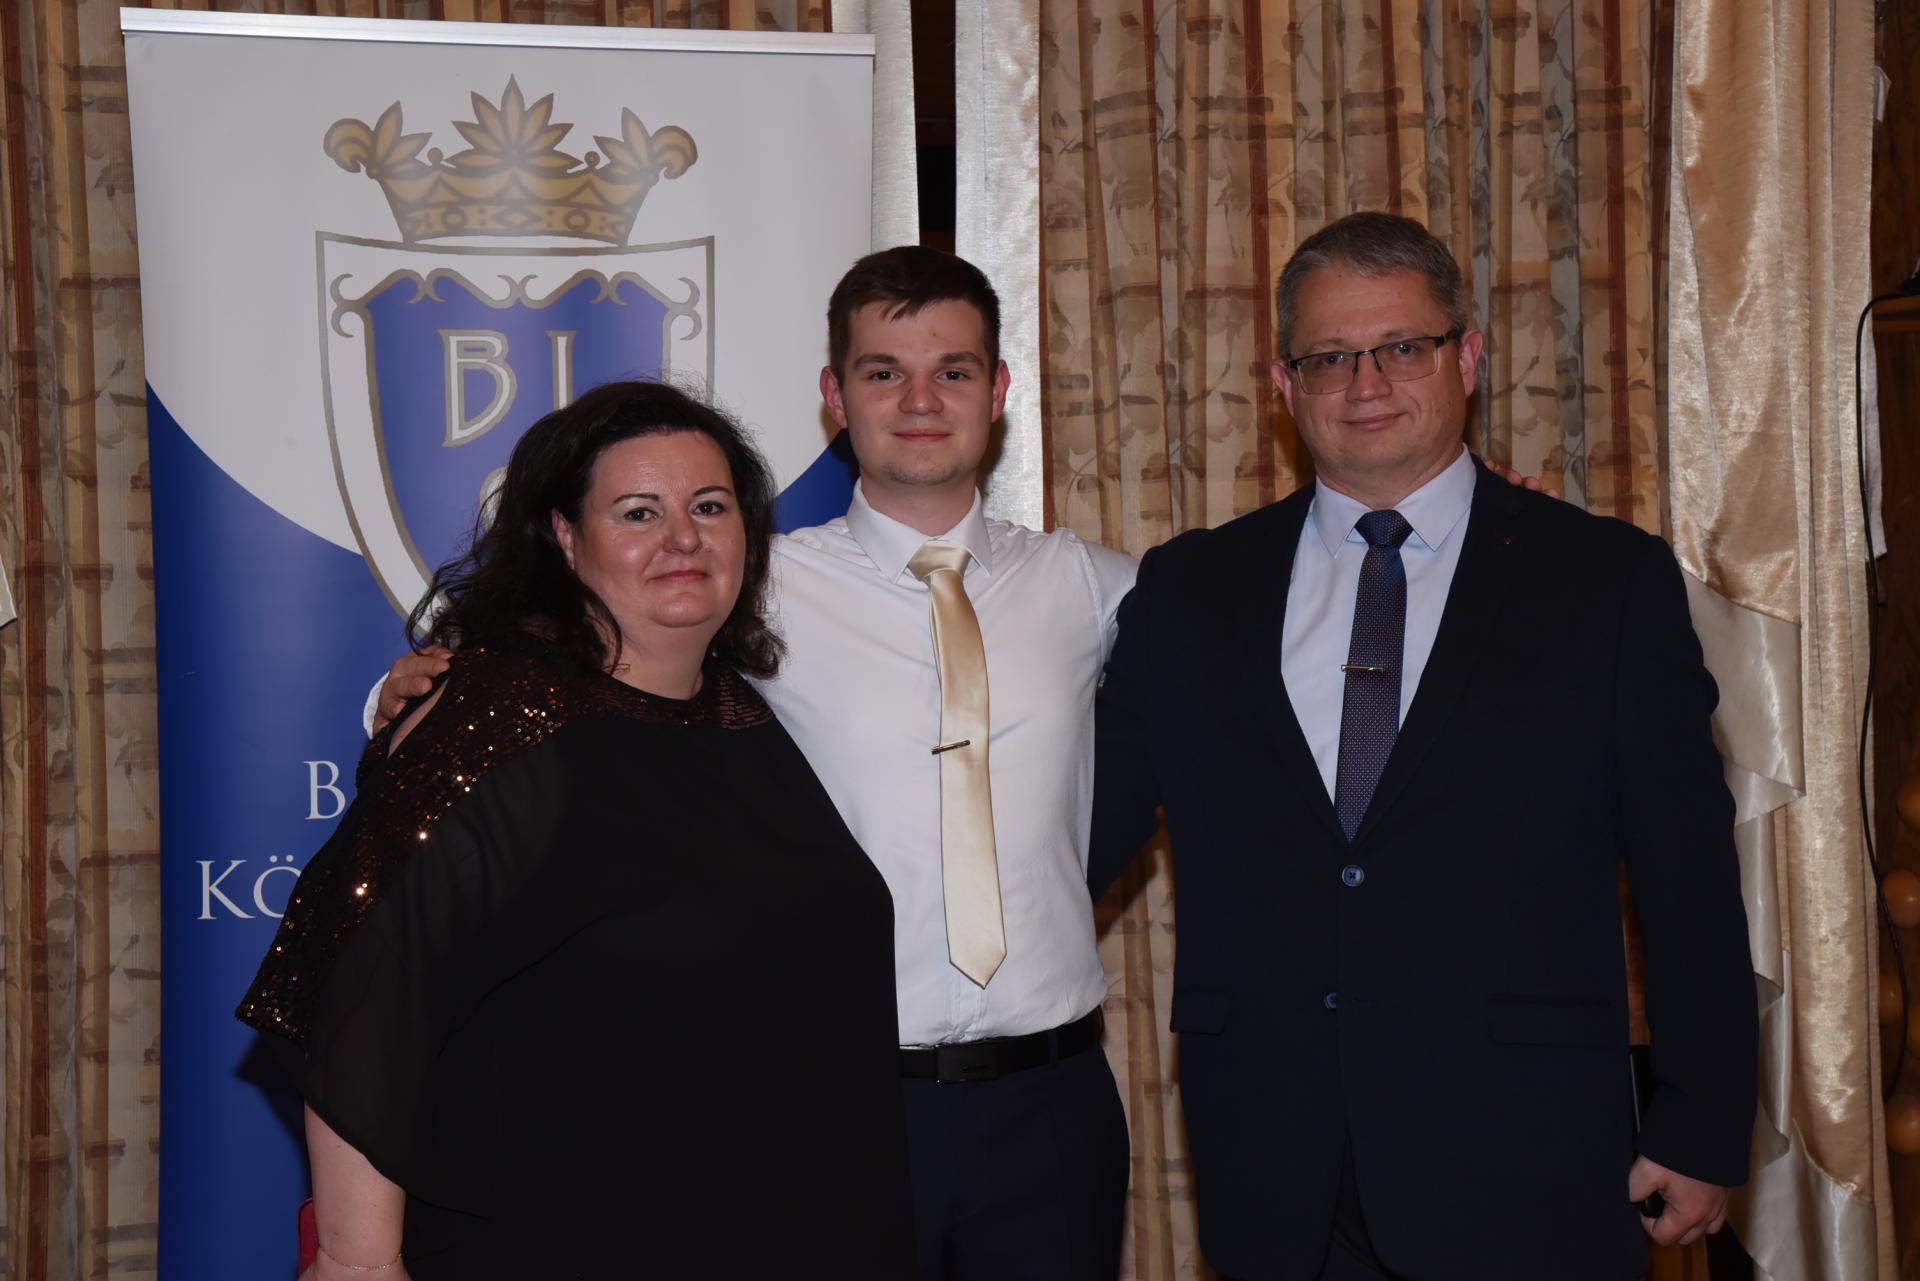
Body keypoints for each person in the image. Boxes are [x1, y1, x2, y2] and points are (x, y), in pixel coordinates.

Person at [1087, 211, 1758, 1281]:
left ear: (1468, 358)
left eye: (1403, 347)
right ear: (1284, 382)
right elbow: (1075, 833)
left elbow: (1689, 872)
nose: (1366, 383)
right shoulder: (1190, 591)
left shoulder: (1606, 583)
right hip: (1279, 1168)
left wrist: (1703, 1118)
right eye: (1329, 357)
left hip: (1527, 1162)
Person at [239, 381, 915, 1280]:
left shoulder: (738, 713)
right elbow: (360, 978)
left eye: (710, 507)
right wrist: (357, 1259)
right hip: (562, 1238)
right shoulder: (505, 715)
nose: (683, 538)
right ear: (564, 537)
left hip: (782, 1226)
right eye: (639, 512)